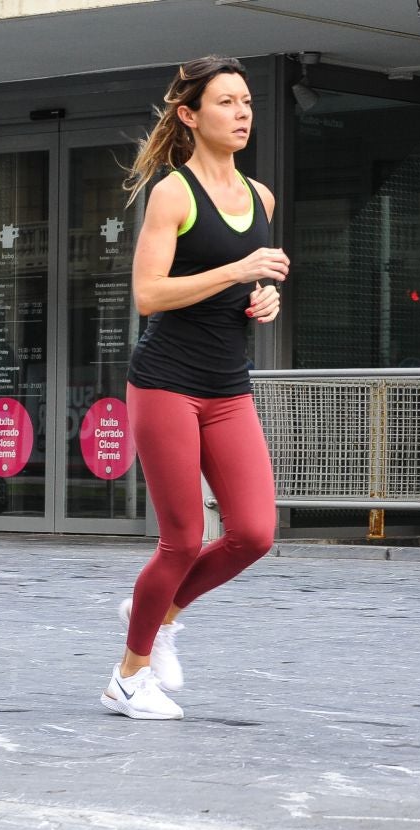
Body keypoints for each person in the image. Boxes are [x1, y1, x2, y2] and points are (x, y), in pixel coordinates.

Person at [101, 55, 288, 720]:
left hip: (228, 386)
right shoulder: (173, 194)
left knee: (255, 533)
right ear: (190, 114)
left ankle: (162, 614)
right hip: (167, 384)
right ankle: (128, 675)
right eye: (226, 103)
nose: (242, 114)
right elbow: (149, 295)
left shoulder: (261, 197)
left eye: (246, 103)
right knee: (181, 539)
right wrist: (239, 267)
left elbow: (243, 288)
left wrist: (261, 299)